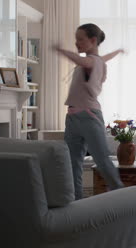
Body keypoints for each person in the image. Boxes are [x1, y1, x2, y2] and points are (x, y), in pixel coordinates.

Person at [53, 23, 125, 200]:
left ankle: (121, 197)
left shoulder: (91, 61)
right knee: (72, 164)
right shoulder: (98, 60)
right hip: (72, 118)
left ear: (93, 41)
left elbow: (83, 61)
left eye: (80, 39)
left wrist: (60, 50)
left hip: (89, 116)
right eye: (75, 39)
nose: (76, 43)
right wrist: (118, 51)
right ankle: (77, 203)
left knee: (102, 160)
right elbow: (105, 57)